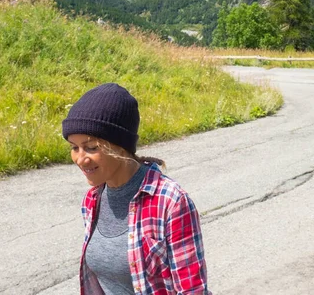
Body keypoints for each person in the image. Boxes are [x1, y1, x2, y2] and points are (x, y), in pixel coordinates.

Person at [62, 82, 212, 295]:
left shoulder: (170, 201)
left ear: (121, 145)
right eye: (74, 148)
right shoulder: (92, 200)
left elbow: (193, 290)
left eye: (91, 147)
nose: (80, 159)